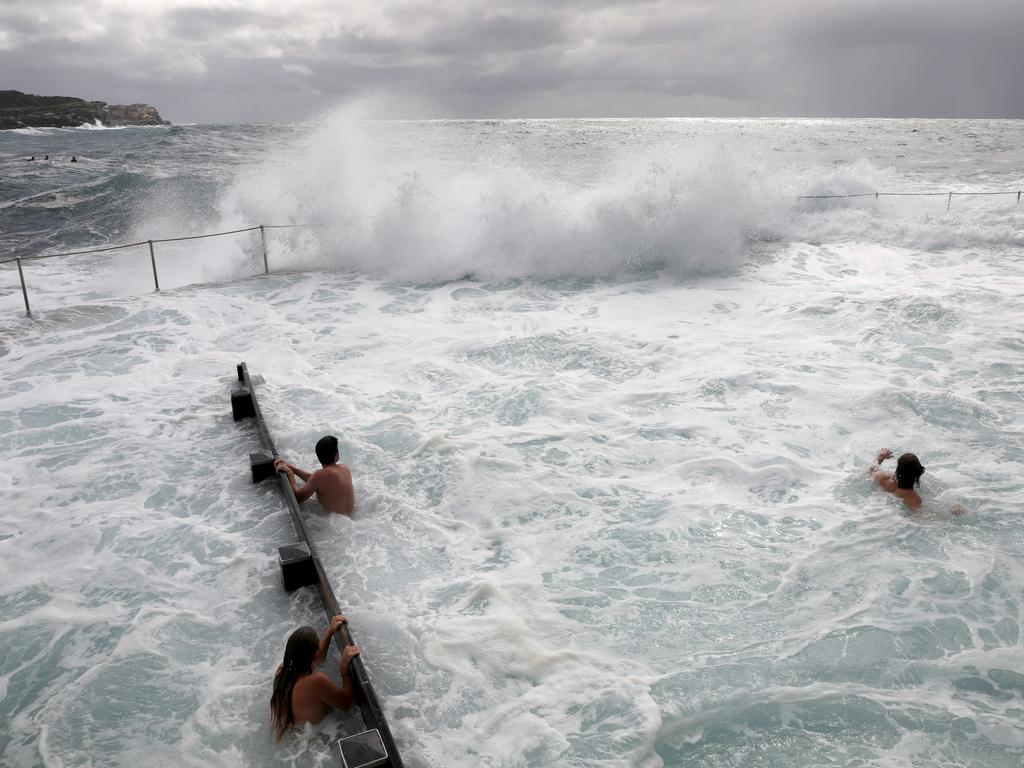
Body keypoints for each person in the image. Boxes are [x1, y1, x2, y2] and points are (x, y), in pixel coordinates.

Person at [270, 615, 361, 740]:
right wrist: (344, 669)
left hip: (293, 731)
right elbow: (347, 703)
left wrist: (330, 631)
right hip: (313, 738)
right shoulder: (316, 681)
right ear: (313, 653)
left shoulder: (282, 671)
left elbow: (318, 659)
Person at [274, 434, 355, 515]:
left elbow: (298, 499)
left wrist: (290, 473)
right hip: (347, 521)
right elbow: (316, 481)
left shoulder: (320, 476)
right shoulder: (345, 468)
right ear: (337, 454)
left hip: (333, 522)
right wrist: (291, 468)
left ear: (319, 457)